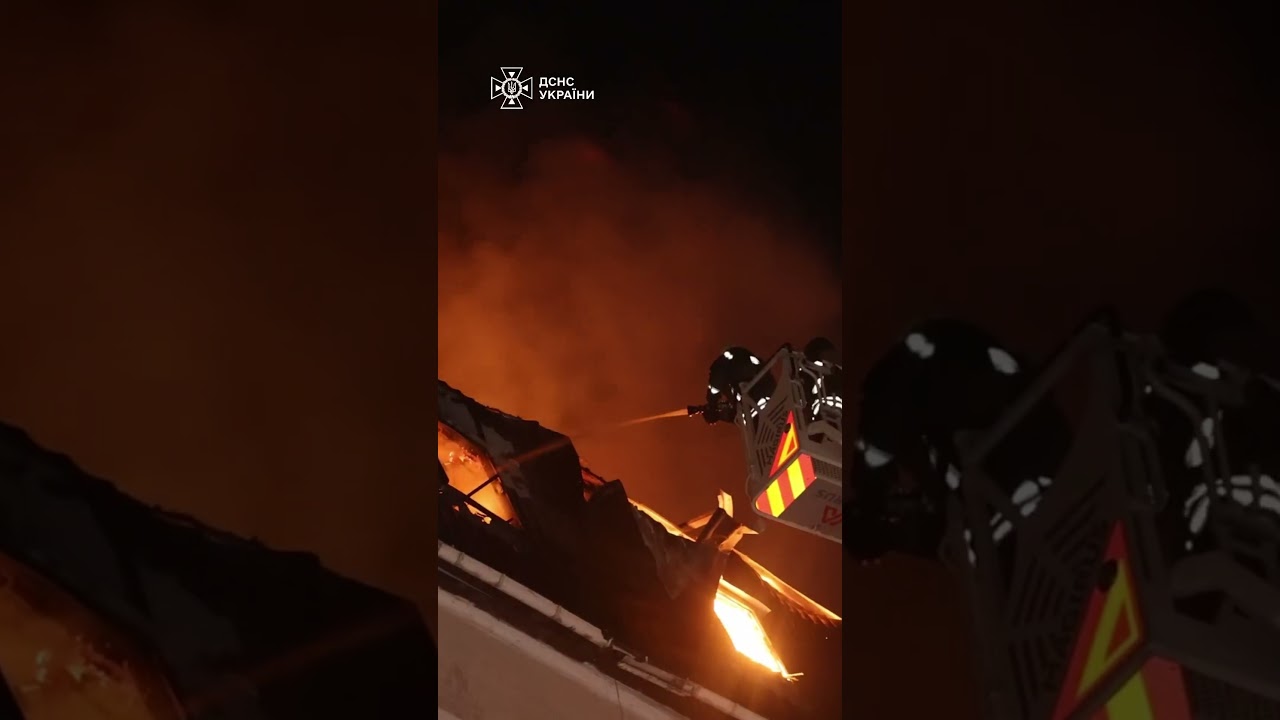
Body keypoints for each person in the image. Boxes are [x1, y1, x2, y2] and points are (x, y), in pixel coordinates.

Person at [846, 318, 1071, 566]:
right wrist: (889, 533)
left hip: (1034, 512)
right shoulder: (963, 464)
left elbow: (885, 415)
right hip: (1041, 512)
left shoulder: (930, 369)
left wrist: (869, 498)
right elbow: (949, 532)